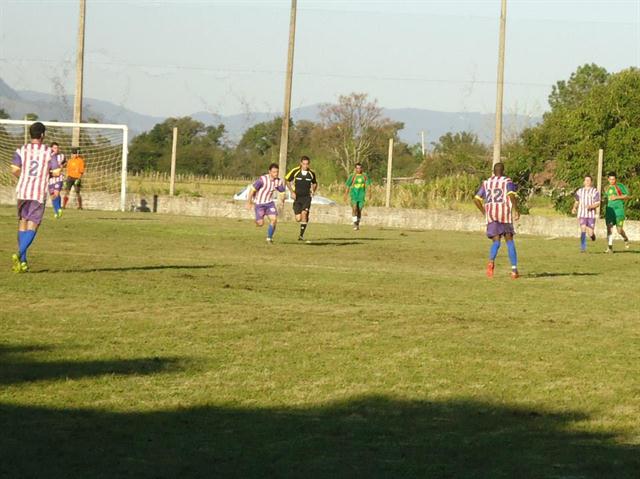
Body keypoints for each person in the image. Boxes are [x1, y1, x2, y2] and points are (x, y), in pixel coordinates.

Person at [10, 122, 60, 273]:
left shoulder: (21, 150)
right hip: (38, 193)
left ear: (30, 134)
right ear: (43, 135)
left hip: (23, 190)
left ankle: (23, 262)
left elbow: (14, 169)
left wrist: (24, 176)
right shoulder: (48, 152)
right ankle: (19, 253)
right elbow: (57, 172)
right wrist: (47, 174)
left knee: (22, 222)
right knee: (34, 224)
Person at [473, 162, 520, 279]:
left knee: (496, 241)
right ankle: (514, 270)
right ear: (503, 171)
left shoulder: (486, 183)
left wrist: (484, 211)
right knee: (509, 240)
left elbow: (476, 199)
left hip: (492, 215)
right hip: (504, 214)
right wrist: (515, 208)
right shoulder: (507, 181)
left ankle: (491, 262)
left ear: (493, 172)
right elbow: (511, 195)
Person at [247, 163, 286, 243]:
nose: (276, 174)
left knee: (274, 219)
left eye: (277, 172)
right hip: (259, 204)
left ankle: (269, 238)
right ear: (269, 172)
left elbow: (282, 192)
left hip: (269, 203)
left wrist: (282, 201)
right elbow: (252, 190)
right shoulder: (262, 180)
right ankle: (257, 220)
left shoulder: (278, 181)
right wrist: (249, 202)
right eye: (274, 172)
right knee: (260, 224)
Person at [285, 156, 318, 241]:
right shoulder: (295, 171)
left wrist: (313, 190)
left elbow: (314, 183)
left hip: (307, 197)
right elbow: (287, 180)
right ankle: (305, 219)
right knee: (298, 218)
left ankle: (301, 236)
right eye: (304, 164)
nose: (305, 166)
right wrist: (292, 192)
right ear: (301, 163)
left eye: (307, 164)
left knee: (304, 214)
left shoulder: (311, 173)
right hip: (297, 197)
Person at [571, 175, 600, 253]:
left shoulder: (595, 191)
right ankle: (583, 247)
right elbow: (576, 201)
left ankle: (592, 236)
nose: (587, 182)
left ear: (591, 182)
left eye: (589, 180)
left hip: (591, 215)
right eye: (586, 180)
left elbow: (597, 203)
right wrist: (574, 208)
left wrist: (590, 206)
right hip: (582, 214)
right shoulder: (579, 191)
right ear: (584, 182)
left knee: (590, 232)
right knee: (583, 228)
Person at [603, 171, 631, 253]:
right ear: (608, 179)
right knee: (609, 228)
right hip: (610, 211)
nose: (612, 181)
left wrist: (617, 197)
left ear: (616, 179)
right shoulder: (606, 188)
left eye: (613, 179)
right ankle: (610, 247)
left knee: (619, 230)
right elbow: (606, 199)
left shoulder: (620, 186)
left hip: (619, 210)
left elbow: (627, 196)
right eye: (610, 179)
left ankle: (625, 238)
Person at [344, 163, 371, 230]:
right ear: (355, 169)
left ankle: (357, 223)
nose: (359, 169)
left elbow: (368, 185)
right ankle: (355, 223)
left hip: (361, 195)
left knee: (359, 210)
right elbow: (348, 185)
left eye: (360, 168)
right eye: (357, 168)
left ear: (362, 168)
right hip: (354, 195)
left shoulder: (364, 176)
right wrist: (345, 195)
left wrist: (370, 193)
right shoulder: (352, 176)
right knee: (354, 208)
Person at [48, 142, 66, 218]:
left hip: (59, 177)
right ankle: (56, 212)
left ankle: (59, 209)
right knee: (52, 196)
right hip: (50, 178)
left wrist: (62, 166)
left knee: (56, 193)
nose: (56, 149)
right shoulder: (47, 156)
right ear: (51, 148)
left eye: (57, 148)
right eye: (55, 148)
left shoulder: (61, 156)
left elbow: (65, 163)